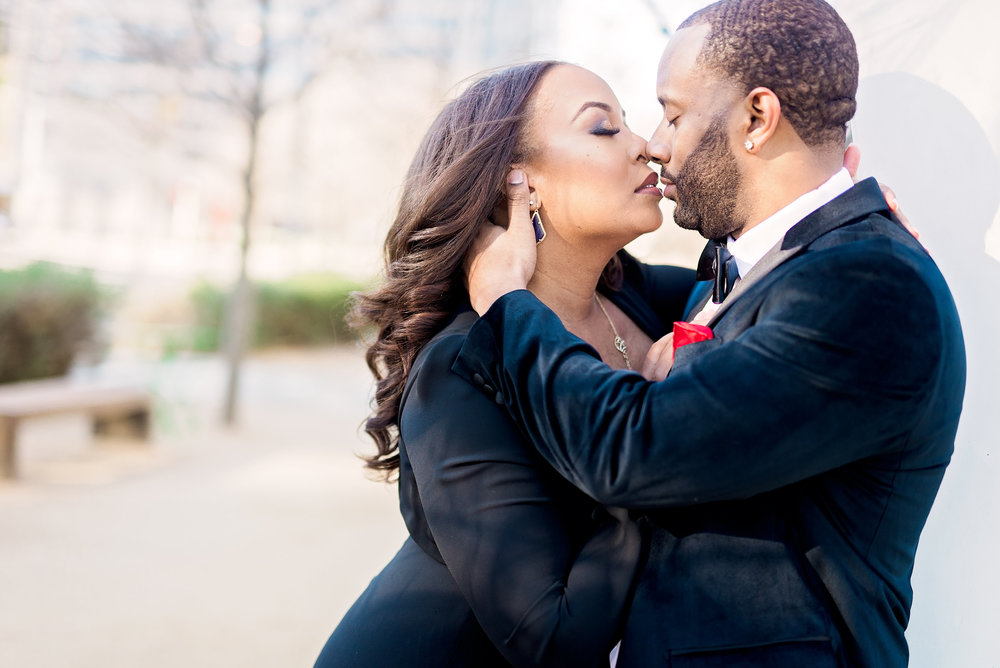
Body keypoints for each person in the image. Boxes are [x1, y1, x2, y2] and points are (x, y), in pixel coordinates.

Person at [461, 1, 965, 666]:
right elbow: (605, 283)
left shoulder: (870, 287)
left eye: (673, 113)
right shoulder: (760, 269)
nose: (657, 143)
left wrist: (503, 299)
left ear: (757, 118)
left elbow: (632, 451)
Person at [314, 61, 699, 667]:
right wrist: (648, 446)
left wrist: (856, 230)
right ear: (519, 185)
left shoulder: (634, 294)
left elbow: (758, 280)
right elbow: (554, 638)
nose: (648, 146)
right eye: (604, 129)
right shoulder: (459, 369)